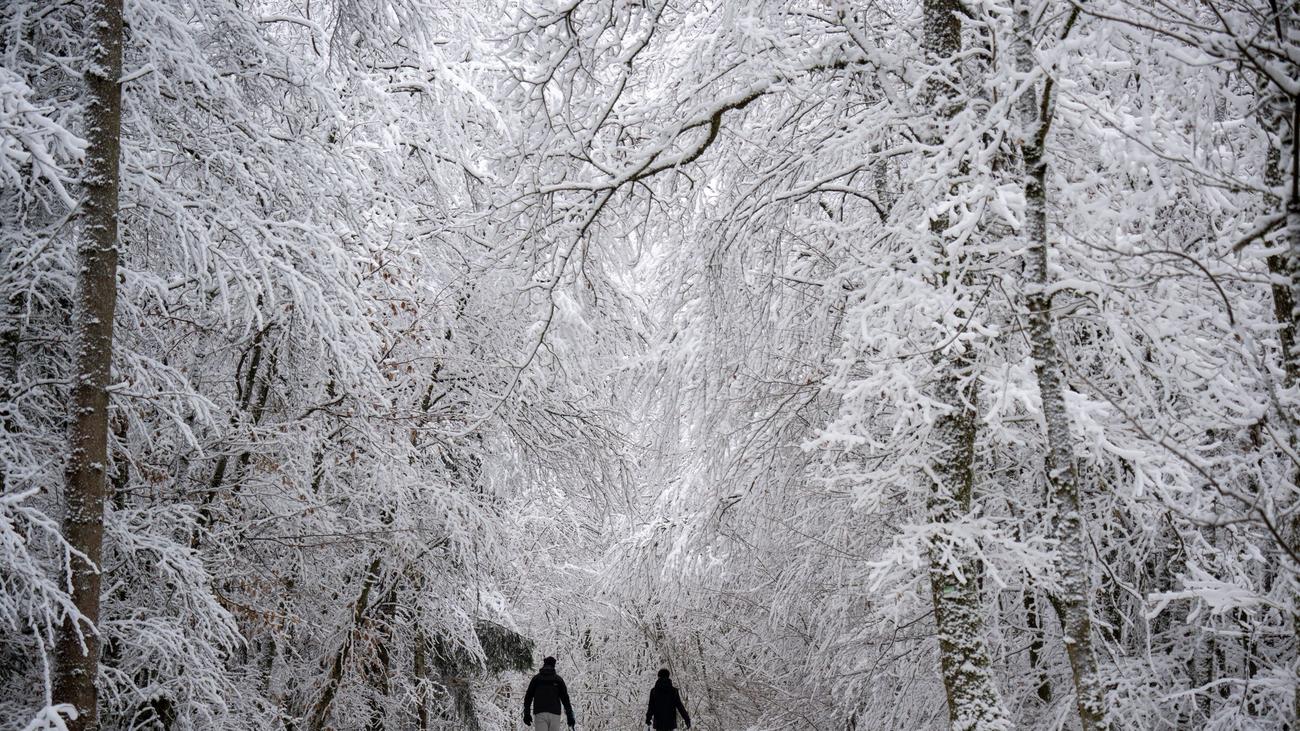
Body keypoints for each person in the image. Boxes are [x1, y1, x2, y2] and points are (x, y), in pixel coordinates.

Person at [523, 656, 576, 729]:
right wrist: (570, 716)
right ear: (553, 665)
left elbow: (528, 697)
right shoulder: (558, 680)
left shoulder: (536, 679)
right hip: (555, 713)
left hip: (540, 712)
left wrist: (526, 713)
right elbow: (565, 699)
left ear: (544, 664)